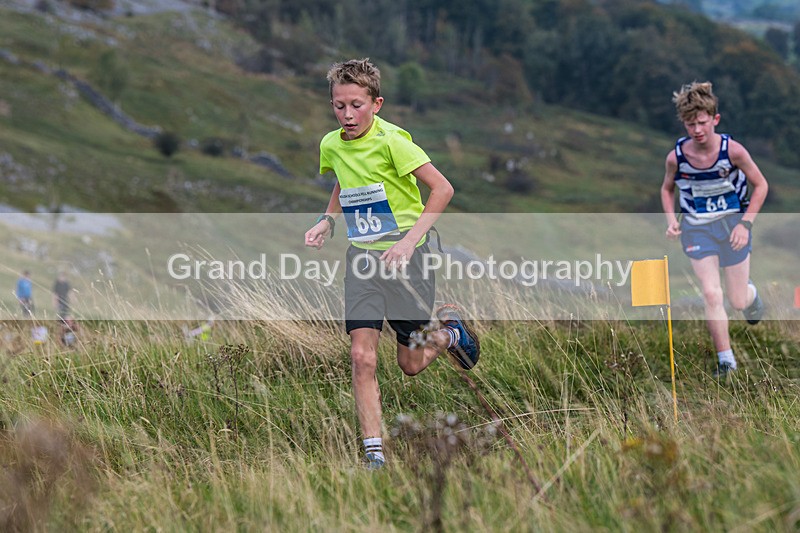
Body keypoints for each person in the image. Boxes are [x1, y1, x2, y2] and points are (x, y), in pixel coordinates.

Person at [304, 58, 480, 469]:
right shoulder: (331, 144)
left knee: (410, 364)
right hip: (362, 260)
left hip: (408, 260)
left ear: (376, 103)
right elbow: (345, 180)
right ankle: (374, 455)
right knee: (361, 355)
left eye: (356, 105)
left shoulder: (394, 142)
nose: (347, 115)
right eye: (339, 106)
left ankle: (451, 335)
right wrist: (327, 220)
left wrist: (407, 242)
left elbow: (443, 189)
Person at [660, 81, 768, 378]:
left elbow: (761, 185)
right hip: (697, 230)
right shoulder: (677, 157)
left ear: (715, 119)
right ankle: (726, 362)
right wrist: (672, 220)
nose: (696, 130)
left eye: (702, 123)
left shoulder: (732, 151)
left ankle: (752, 296)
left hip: (733, 226)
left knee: (736, 301)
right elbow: (667, 189)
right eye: (690, 124)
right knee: (711, 293)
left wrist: (746, 224)